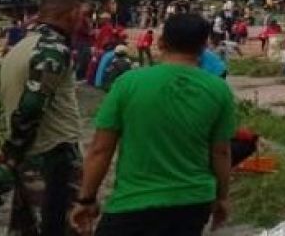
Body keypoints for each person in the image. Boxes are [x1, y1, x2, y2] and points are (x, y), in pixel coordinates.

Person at [70, 13, 237, 236]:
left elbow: (100, 150)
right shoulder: (218, 89)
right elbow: (221, 152)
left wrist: (86, 199)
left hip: (134, 203)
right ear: (203, 46)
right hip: (193, 203)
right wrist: (222, 197)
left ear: (160, 43)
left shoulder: (128, 84)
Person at [0, 0, 85, 236]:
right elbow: (33, 104)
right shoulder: (53, 49)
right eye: (82, 14)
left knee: (27, 229)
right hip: (53, 158)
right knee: (67, 227)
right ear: (73, 13)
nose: (82, 21)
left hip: (29, 156)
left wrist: (11, 150)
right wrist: (12, 150)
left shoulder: (22, 46)